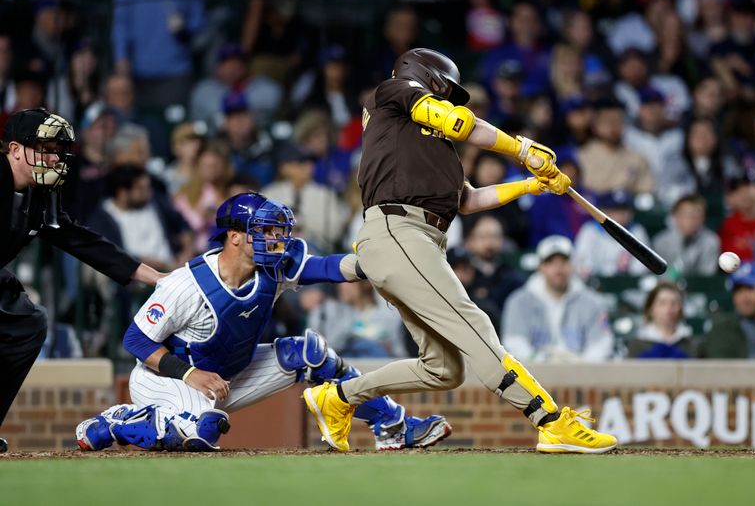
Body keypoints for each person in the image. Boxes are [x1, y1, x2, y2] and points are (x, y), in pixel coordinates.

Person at [303, 48, 616, 454]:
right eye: (444, 89)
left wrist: (531, 185)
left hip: (416, 242)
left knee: (443, 369)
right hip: (399, 231)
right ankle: (551, 421)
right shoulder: (393, 91)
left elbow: (467, 201)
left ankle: (338, 397)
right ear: (427, 78)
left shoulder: (427, 148)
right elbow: (456, 120)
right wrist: (523, 149)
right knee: (476, 329)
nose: (449, 98)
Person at [75, 193, 451, 452]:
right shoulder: (186, 285)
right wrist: (190, 375)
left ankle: (395, 427)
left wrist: (371, 265)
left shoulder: (271, 267)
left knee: (311, 354)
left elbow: (324, 267)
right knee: (203, 432)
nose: (277, 240)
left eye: (277, 231)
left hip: (229, 374)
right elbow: (136, 340)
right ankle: (117, 421)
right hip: (169, 380)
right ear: (235, 238)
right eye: (267, 231)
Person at [0, 108, 165, 453]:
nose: (52, 157)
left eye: (57, 150)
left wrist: (155, 277)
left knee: (28, 324)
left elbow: (80, 241)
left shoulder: (39, 195)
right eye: (43, 148)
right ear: (14, 150)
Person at [501, 235, 613, 362]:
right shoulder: (519, 301)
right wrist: (542, 361)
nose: (558, 269)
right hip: (535, 376)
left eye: (564, 261)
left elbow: (602, 344)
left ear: (573, 265)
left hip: (581, 377)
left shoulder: (592, 302)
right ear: (540, 267)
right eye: (551, 262)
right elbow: (514, 343)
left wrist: (579, 365)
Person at [573, 190, 651, 278]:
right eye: (614, 210)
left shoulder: (637, 231)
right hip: (595, 287)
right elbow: (582, 266)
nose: (620, 215)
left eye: (624, 209)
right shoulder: (590, 231)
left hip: (629, 286)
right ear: (603, 211)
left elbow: (642, 268)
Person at [625, 282, 698, 359]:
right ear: (651, 308)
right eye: (662, 303)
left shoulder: (693, 345)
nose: (668, 309)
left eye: (674, 303)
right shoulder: (637, 346)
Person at [653, 194, 720, 276]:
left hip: (697, 288)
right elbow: (655, 275)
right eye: (688, 215)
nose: (692, 220)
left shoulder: (710, 241)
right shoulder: (662, 241)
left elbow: (707, 277)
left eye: (698, 216)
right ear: (676, 216)